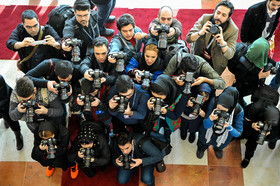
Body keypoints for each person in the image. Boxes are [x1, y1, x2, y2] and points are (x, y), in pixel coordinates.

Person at [186, 0, 238, 75]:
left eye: (223, 15)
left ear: (228, 18)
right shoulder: (205, 18)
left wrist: (222, 42)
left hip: (214, 64)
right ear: (214, 11)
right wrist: (200, 33)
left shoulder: (233, 30)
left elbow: (230, 55)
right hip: (198, 55)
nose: (219, 17)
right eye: (218, 13)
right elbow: (188, 38)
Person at [196, 87, 243, 159]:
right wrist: (210, 119)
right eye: (218, 108)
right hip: (208, 131)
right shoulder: (214, 101)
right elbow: (206, 125)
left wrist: (229, 127)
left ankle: (218, 149)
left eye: (223, 110)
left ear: (230, 108)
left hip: (224, 136)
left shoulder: (238, 110)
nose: (219, 111)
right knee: (203, 142)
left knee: (220, 145)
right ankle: (201, 148)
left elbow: (238, 133)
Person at [240, 86, 279, 168]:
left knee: (252, 143)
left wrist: (269, 133)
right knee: (240, 133)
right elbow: (240, 121)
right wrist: (251, 124)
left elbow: (276, 133)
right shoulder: (253, 108)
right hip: (252, 120)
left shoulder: (276, 117)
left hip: (256, 133)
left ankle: (247, 158)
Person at [232, 38, 275, 106]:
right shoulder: (242, 65)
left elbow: (266, 57)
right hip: (243, 87)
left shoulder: (259, 51)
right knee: (239, 96)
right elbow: (240, 79)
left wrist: (273, 65)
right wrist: (259, 76)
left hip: (253, 84)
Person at [147, 74, 188, 142]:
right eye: (155, 97)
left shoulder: (181, 97)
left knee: (167, 130)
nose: (158, 99)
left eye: (160, 97)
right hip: (157, 120)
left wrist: (165, 111)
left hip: (169, 122)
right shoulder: (154, 90)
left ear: (168, 91)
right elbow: (150, 113)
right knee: (155, 129)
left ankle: (167, 137)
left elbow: (176, 116)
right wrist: (149, 107)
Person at [0, 75, 23, 150]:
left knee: (10, 118)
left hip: (5, 101)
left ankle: (18, 134)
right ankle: (4, 119)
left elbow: (4, 99)